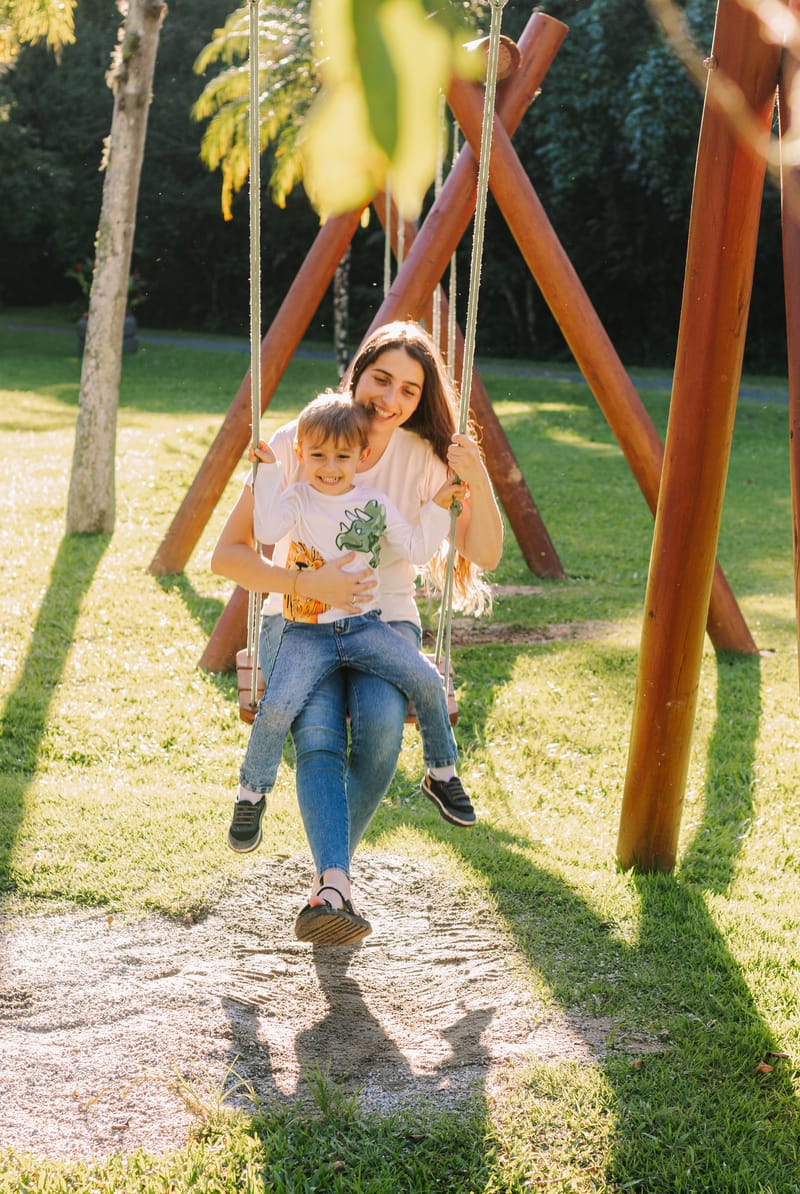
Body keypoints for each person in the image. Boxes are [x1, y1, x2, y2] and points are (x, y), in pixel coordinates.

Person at [211, 320, 503, 943]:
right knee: (315, 731)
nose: (390, 399)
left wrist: (474, 479)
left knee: (378, 732)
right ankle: (334, 883)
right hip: (299, 619)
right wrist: (306, 586)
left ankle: (332, 878)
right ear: (358, 374)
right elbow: (230, 554)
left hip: (382, 620)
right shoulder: (306, 438)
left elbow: (484, 550)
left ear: (420, 400)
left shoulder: (425, 462)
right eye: (381, 379)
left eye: (408, 389)